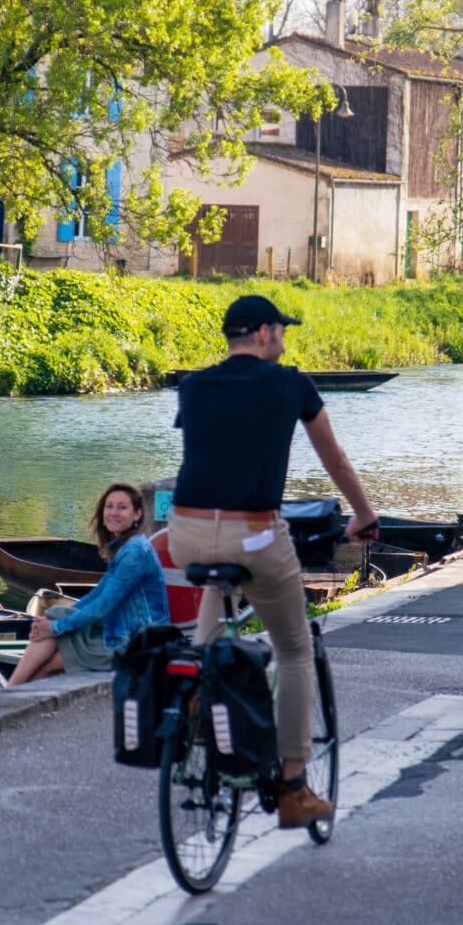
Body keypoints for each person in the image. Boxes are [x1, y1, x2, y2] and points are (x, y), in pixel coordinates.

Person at [170, 294, 377, 829]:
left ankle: (196, 686)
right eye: (282, 332)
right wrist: (363, 514)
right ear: (263, 333)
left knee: (217, 579)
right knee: (293, 649)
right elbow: (334, 457)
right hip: (254, 536)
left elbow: (211, 455)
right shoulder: (291, 383)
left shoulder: (193, 386)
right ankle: (292, 785)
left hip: (186, 533)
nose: (285, 342)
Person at [7, 483, 168, 687]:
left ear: (137, 514)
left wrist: (56, 627)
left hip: (137, 643)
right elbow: (97, 594)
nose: (113, 513)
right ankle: (8, 695)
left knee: (48, 662)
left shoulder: (134, 554)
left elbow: (104, 606)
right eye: (109, 507)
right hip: (121, 633)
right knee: (54, 615)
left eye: (122, 507)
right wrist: (56, 621)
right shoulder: (125, 547)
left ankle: (6, 695)